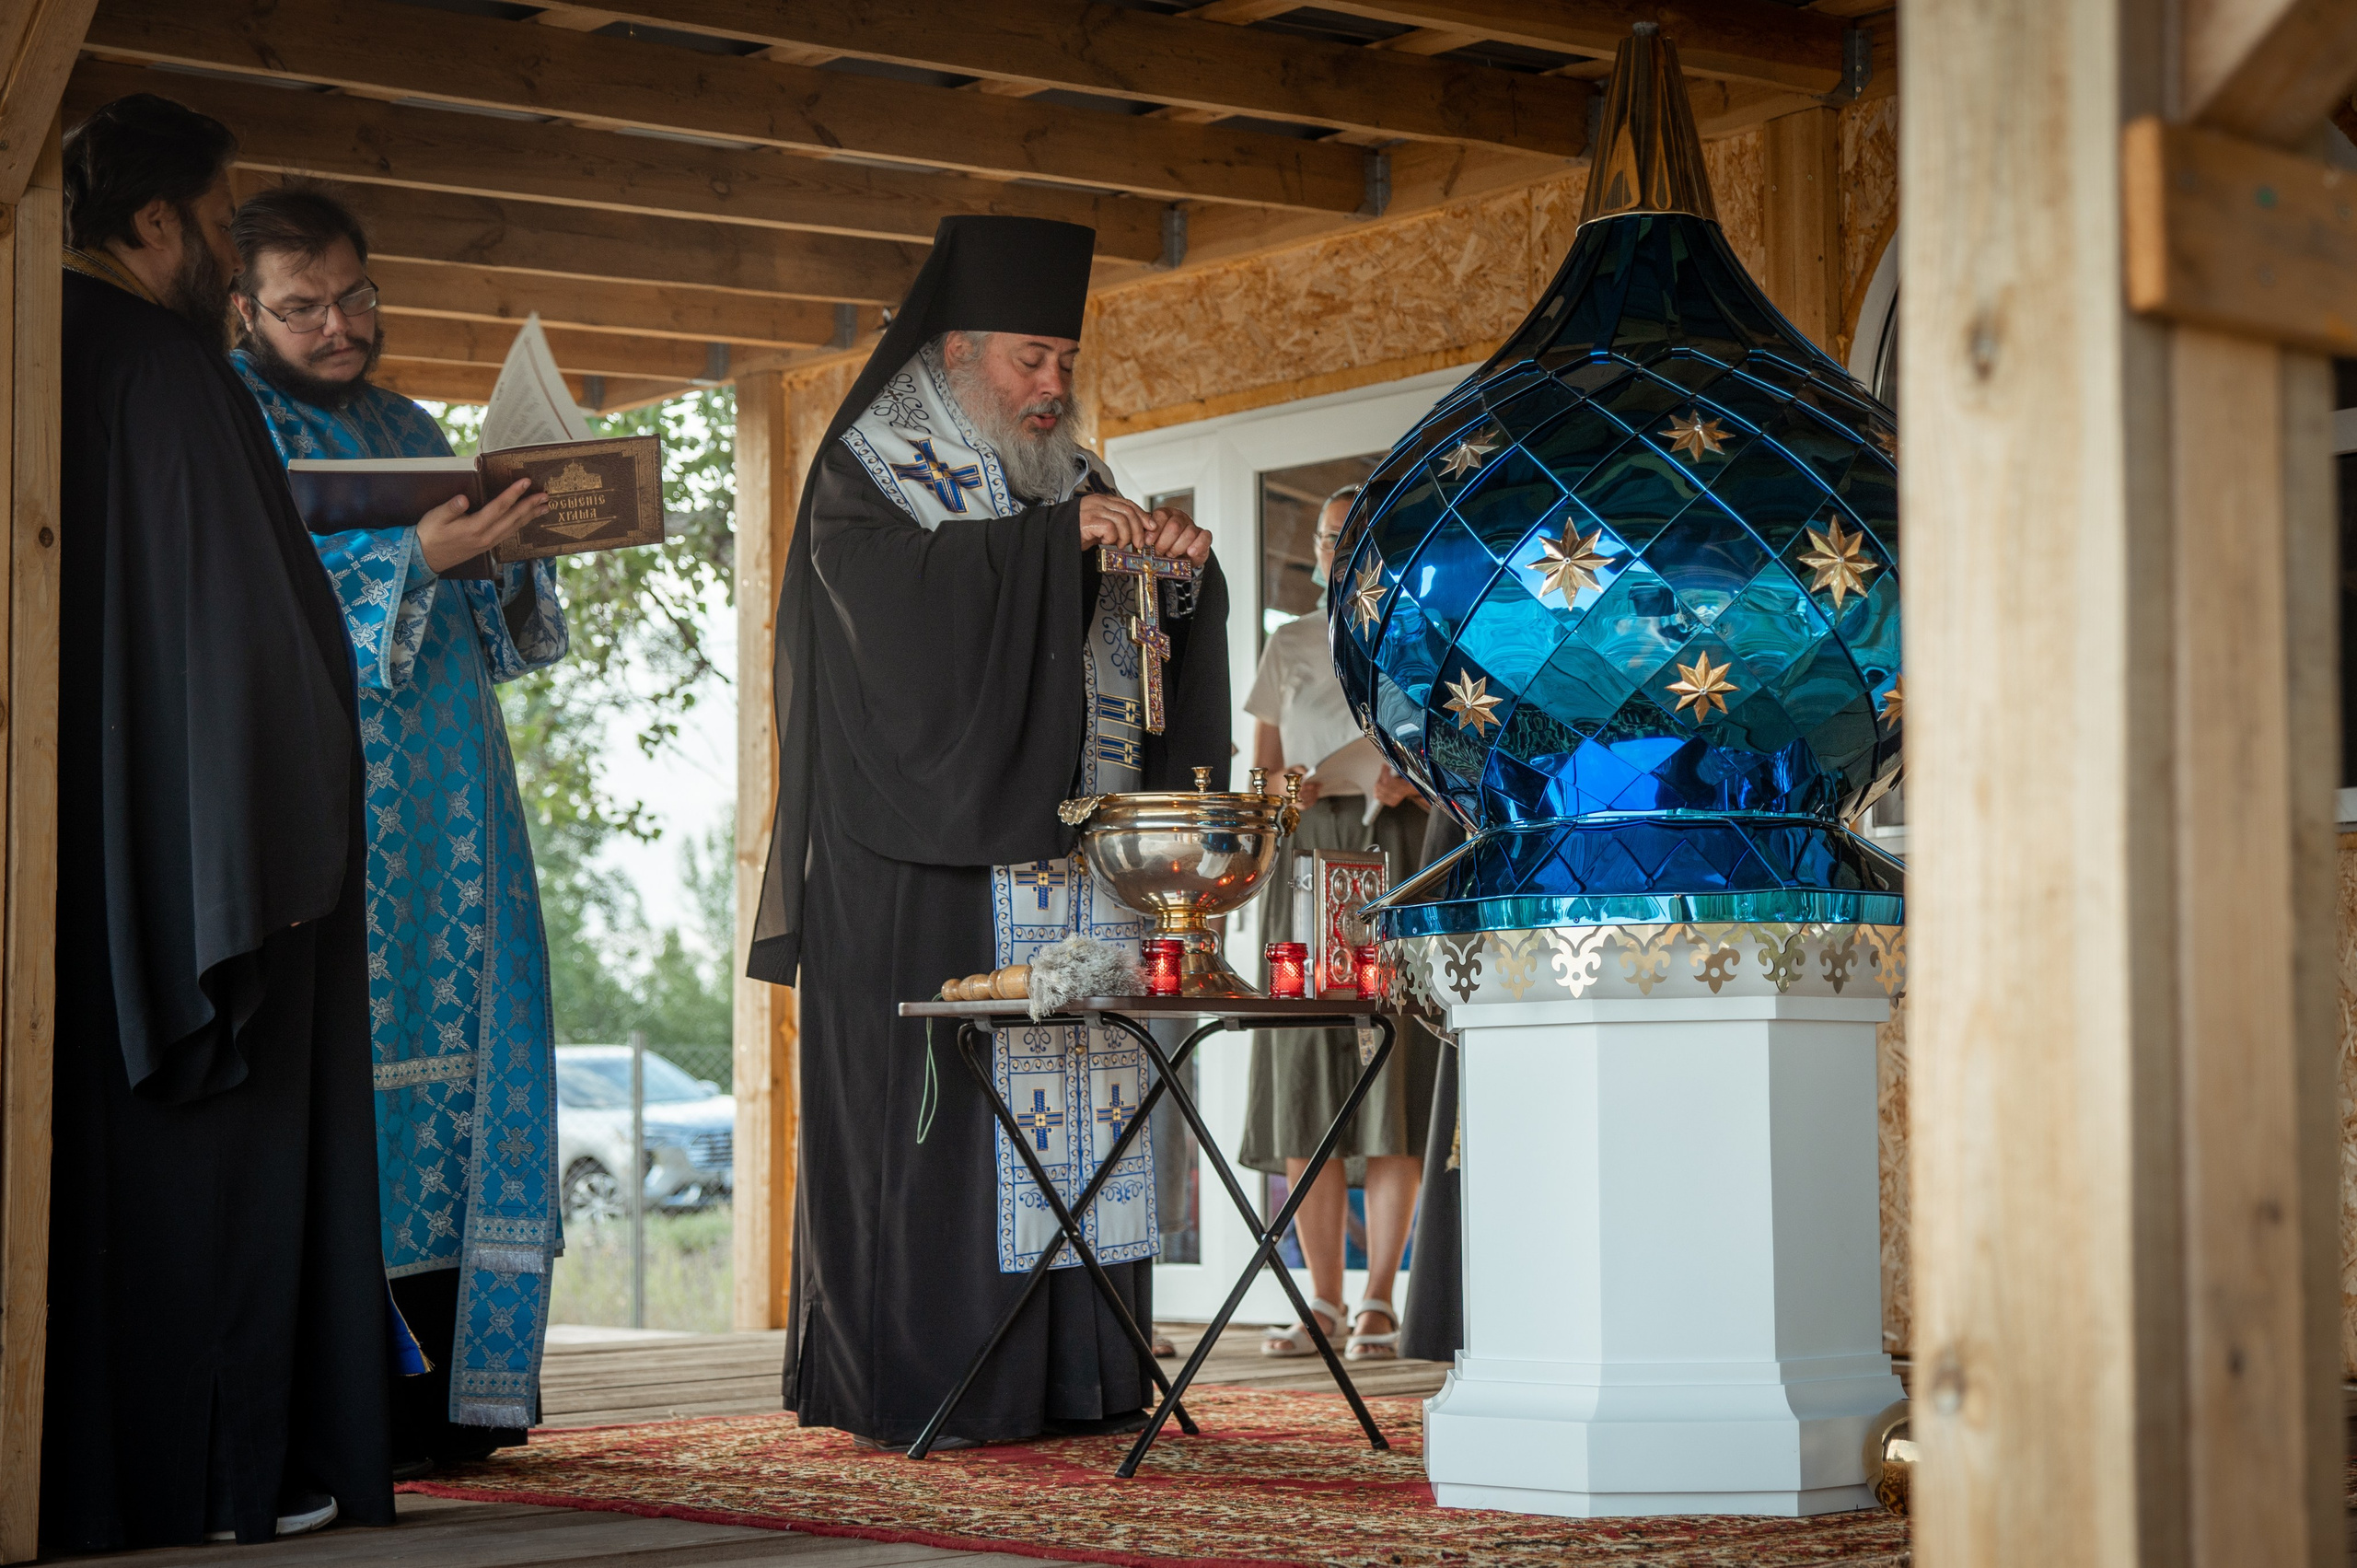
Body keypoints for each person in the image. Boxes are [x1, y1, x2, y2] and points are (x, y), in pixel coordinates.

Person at [745, 215, 1226, 1447]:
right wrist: (1041, 552)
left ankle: (1081, 1378)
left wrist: (1170, 573)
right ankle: (936, 1379)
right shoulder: (871, 469)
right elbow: (902, 644)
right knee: (952, 1137)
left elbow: (1113, 649)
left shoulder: (1074, 470)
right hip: (920, 863)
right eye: (1029, 359)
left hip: (1065, 862)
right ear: (957, 352)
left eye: (1065, 359)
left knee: (1079, 1110)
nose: (1052, 385)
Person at [44, 95, 391, 1551]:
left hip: (94, 855)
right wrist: (289, 847)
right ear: (157, 225)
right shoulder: (167, 373)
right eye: (219, 220)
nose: (231, 272)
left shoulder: (47, 347)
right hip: (212, 881)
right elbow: (244, 637)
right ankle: (225, 1475)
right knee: (221, 1179)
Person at [226, 181, 568, 1473]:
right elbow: (233, 602)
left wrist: (516, 539)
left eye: (356, 294)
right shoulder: (227, 418)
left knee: (470, 1074)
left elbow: (499, 635)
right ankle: (347, 1405)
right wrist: (408, 561)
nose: (339, 324)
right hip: (321, 808)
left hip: (460, 816)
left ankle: (460, 1405)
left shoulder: (406, 421)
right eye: (304, 305)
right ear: (245, 306)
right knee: (347, 1079)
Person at [1240, 484, 1438, 1363]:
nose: (1340, 550)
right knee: (1305, 1070)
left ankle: (1380, 1299)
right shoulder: (1288, 645)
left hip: (1398, 856)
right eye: (1330, 537)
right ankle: (1318, 1298)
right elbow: (1262, 782)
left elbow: (1463, 767)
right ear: (1317, 552)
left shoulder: (1426, 643)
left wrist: (1417, 783)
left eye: (1358, 537)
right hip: (1309, 866)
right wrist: (1296, 787)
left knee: (1392, 1070)